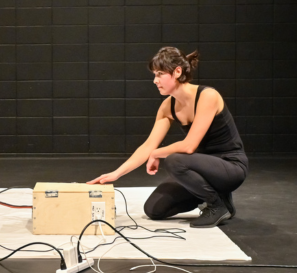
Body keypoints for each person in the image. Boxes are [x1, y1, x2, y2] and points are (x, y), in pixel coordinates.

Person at [87, 46, 248, 228]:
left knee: (174, 161)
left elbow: (189, 146)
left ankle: (216, 206)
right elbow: (148, 145)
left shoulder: (207, 96)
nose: (155, 81)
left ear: (177, 72)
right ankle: (219, 196)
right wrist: (116, 173)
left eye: (160, 74)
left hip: (230, 166)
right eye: (154, 75)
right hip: (201, 167)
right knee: (154, 210)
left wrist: (156, 154)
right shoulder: (167, 107)